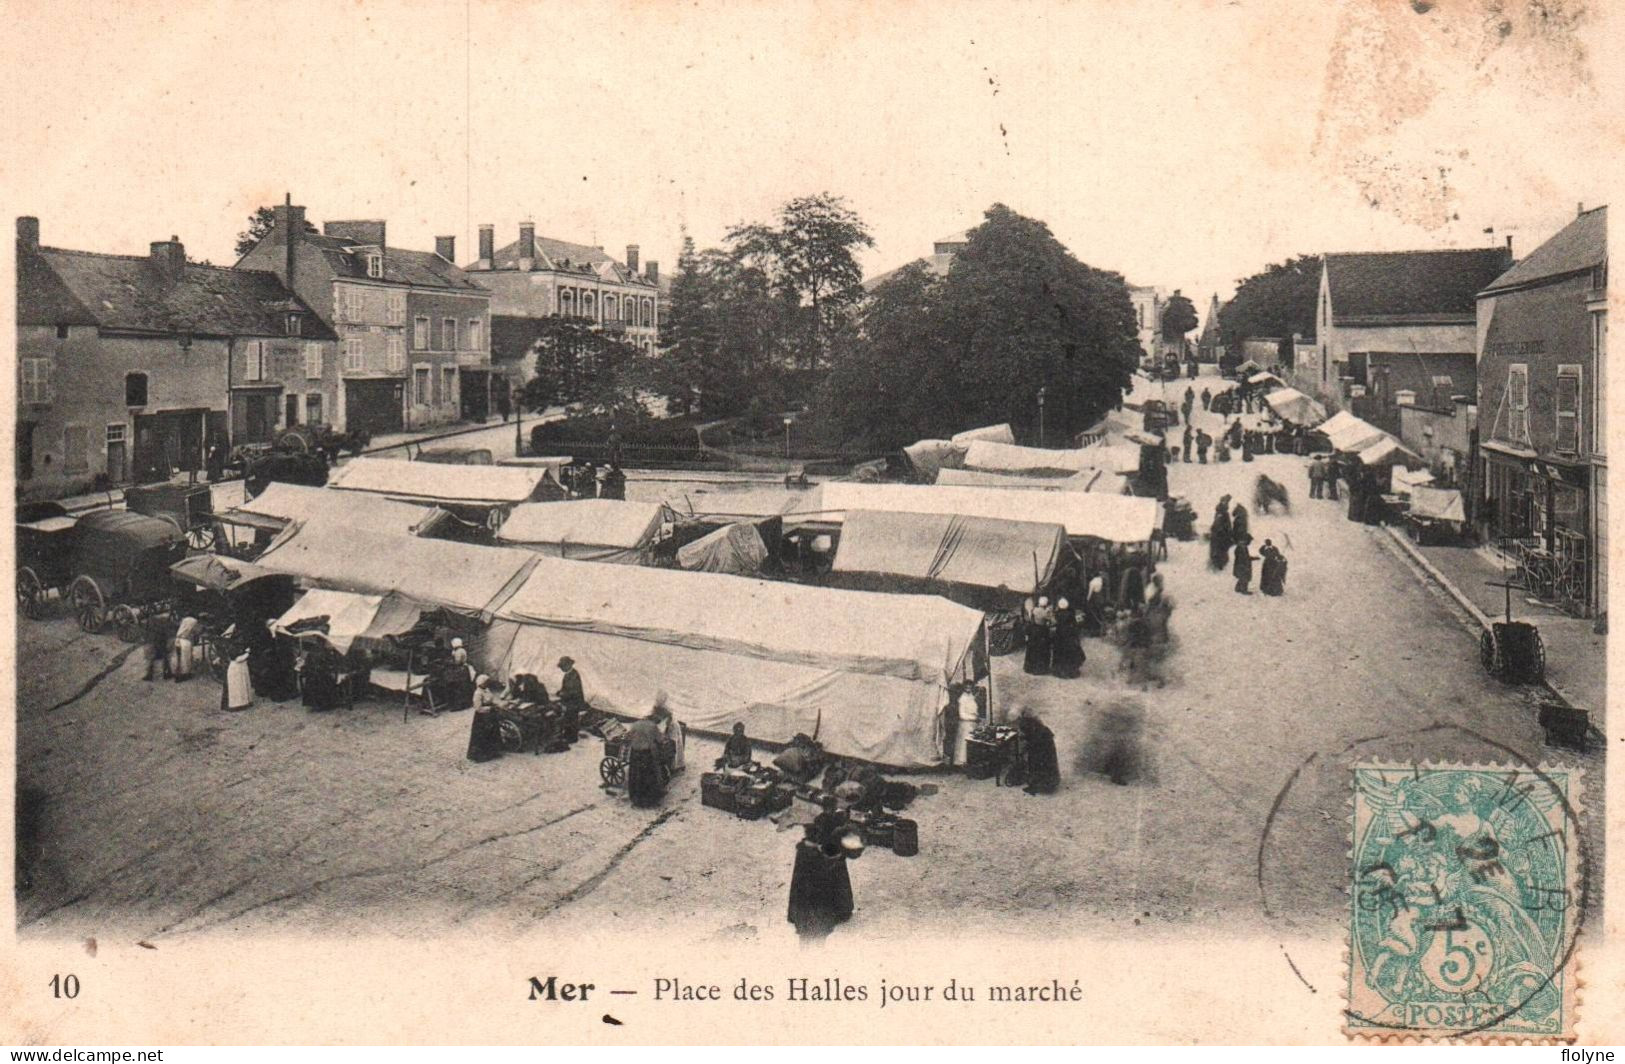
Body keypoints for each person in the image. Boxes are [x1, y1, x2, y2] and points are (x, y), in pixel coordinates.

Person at [787, 790, 861, 942]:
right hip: (822, 857)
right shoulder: (830, 821)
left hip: (819, 855)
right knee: (822, 890)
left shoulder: (825, 820)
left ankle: (828, 914)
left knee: (812, 889)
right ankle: (836, 913)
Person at [624, 712, 665, 808]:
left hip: (635, 754)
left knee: (636, 776)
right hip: (646, 754)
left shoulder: (634, 725)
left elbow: (628, 737)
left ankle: (636, 799)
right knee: (648, 777)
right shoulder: (652, 726)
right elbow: (660, 740)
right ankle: (649, 801)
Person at [1017, 708, 1060, 795]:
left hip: (1041, 747)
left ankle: (1037, 786)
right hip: (1043, 746)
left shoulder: (1033, 726)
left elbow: (1034, 739)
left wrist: (1026, 746)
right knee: (1043, 765)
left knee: (1037, 765)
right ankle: (1046, 784)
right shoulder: (1037, 725)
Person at [1050, 598, 1084, 679]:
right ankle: (1070, 671)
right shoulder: (1071, 613)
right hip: (1069, 633)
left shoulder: (1057, 613)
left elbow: (1054, 622)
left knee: (1059, 651)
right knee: (1069, 652)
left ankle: (1059, 670)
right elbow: (1077, 622)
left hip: (1059, 633)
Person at [652, 692, 685, 772]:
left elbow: (666, 723)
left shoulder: (667, 710)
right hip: (665, 725)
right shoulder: (656, 707)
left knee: (673, 743)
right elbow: (655, 718)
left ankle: (675, 765)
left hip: (672, 727)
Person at [1024, 596, 1054, 675]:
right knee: (1042, 649)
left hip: (1034, 631)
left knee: (1032, 649)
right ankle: (1040, 668)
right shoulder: (1045, 612)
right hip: (1042, 631)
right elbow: (1052, 621)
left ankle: (1030, 667)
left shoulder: (1034, 610)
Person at [143, 610, 176, 681]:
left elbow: (149, 632)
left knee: (151, 658)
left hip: (155, 640)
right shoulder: (164, 619)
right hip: (160, 640)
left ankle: (150, 675)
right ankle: (167, 673)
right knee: (166, 657)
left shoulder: (152, 620)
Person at [557, 656, 586, 723]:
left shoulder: (574, 675)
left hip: (574, 705)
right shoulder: (567, 675)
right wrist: (560, 692)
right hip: (570, 704)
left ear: (568, 665)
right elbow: (565, 688)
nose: (562, 668)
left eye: (563, 666)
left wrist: (562, 694)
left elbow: (573, 691)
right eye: (561, 666)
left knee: (571, 722)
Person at [1208, 496, 1233, 570]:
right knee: (1220, 549)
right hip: (1220, 534)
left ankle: (1219, 562)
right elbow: (1219, 524)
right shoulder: (1222, 513)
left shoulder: (1221, 512)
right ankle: (1219, 563)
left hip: (1220, 534)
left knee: (1220, 548)